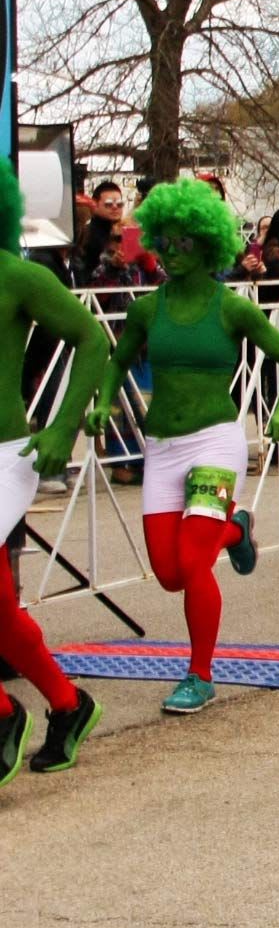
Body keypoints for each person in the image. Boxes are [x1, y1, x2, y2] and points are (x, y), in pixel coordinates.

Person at [86, 179, 279, 713]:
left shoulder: (232, 308)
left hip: (215, 443)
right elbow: (117, 360)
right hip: (161, 447)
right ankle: (236, 528)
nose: (175, 253)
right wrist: (104, 401)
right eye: (168, 241)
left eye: (188, 242)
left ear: (209, 245)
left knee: (191, 565)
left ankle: (200, 674)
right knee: (166, 574)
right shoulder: (145, 310)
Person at [0, 160, 112, 785]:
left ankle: (5, 713)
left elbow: (92, 339)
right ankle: (68, 705)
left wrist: (64, 425)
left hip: (4, 457)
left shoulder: (19, 277)